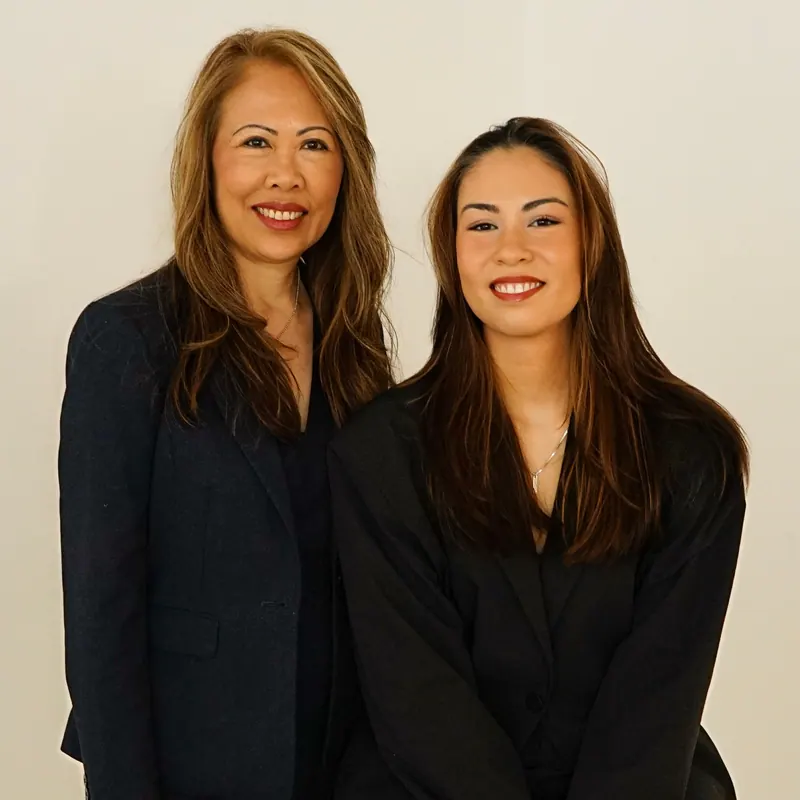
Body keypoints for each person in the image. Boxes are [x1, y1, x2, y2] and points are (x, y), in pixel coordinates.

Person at [329, 117, 748, 800]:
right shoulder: (379, 453)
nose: (511, 250)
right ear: (451, 255)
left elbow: (658, 693)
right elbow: (416, 695)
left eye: (543, 221)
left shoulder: (694, 453)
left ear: (592, 243)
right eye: (482, 225)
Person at [58, 27, 394, 800]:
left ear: (345, 170)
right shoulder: (128, 339)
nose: (286, 174)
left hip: (346, 765)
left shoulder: (355, 341)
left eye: (315, 145)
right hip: (195, 762)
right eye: (256, 141)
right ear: (206, 160)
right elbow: (102, 615)